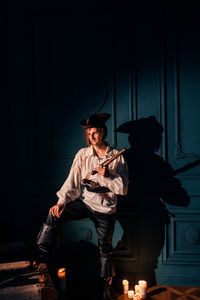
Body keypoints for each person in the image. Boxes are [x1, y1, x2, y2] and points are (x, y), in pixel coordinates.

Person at [36, 113, 129, 300]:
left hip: (105, 208)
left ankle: (105, 288)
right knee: (54, 214)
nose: (91, 137)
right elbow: (72, 181)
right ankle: (42, 261)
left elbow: (124, 189)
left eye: (95, 133)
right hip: (85, 202)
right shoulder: (83, 154)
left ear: (102, 133)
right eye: (89, 133)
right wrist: (61, 201)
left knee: (105, 248)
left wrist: (107, 175)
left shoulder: (116, 157)